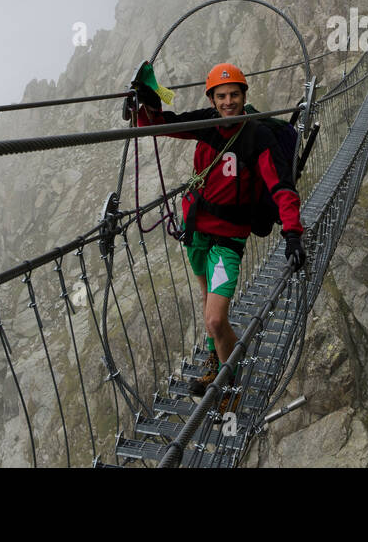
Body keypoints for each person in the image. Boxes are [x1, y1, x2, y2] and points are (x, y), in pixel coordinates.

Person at [129, 62, 305, 406]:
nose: (228, 102)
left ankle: (229, 383)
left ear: (243, 96)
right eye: (221, 96)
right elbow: (161, 126)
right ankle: (215, 360)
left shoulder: (258, 137)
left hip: (228, 239)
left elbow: (281, 187)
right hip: (197, 231)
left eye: (234, 95)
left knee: (214, 317)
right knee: (206, 301)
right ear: (212, 98)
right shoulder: (206, 124)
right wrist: (147, 104)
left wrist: (293, 233)